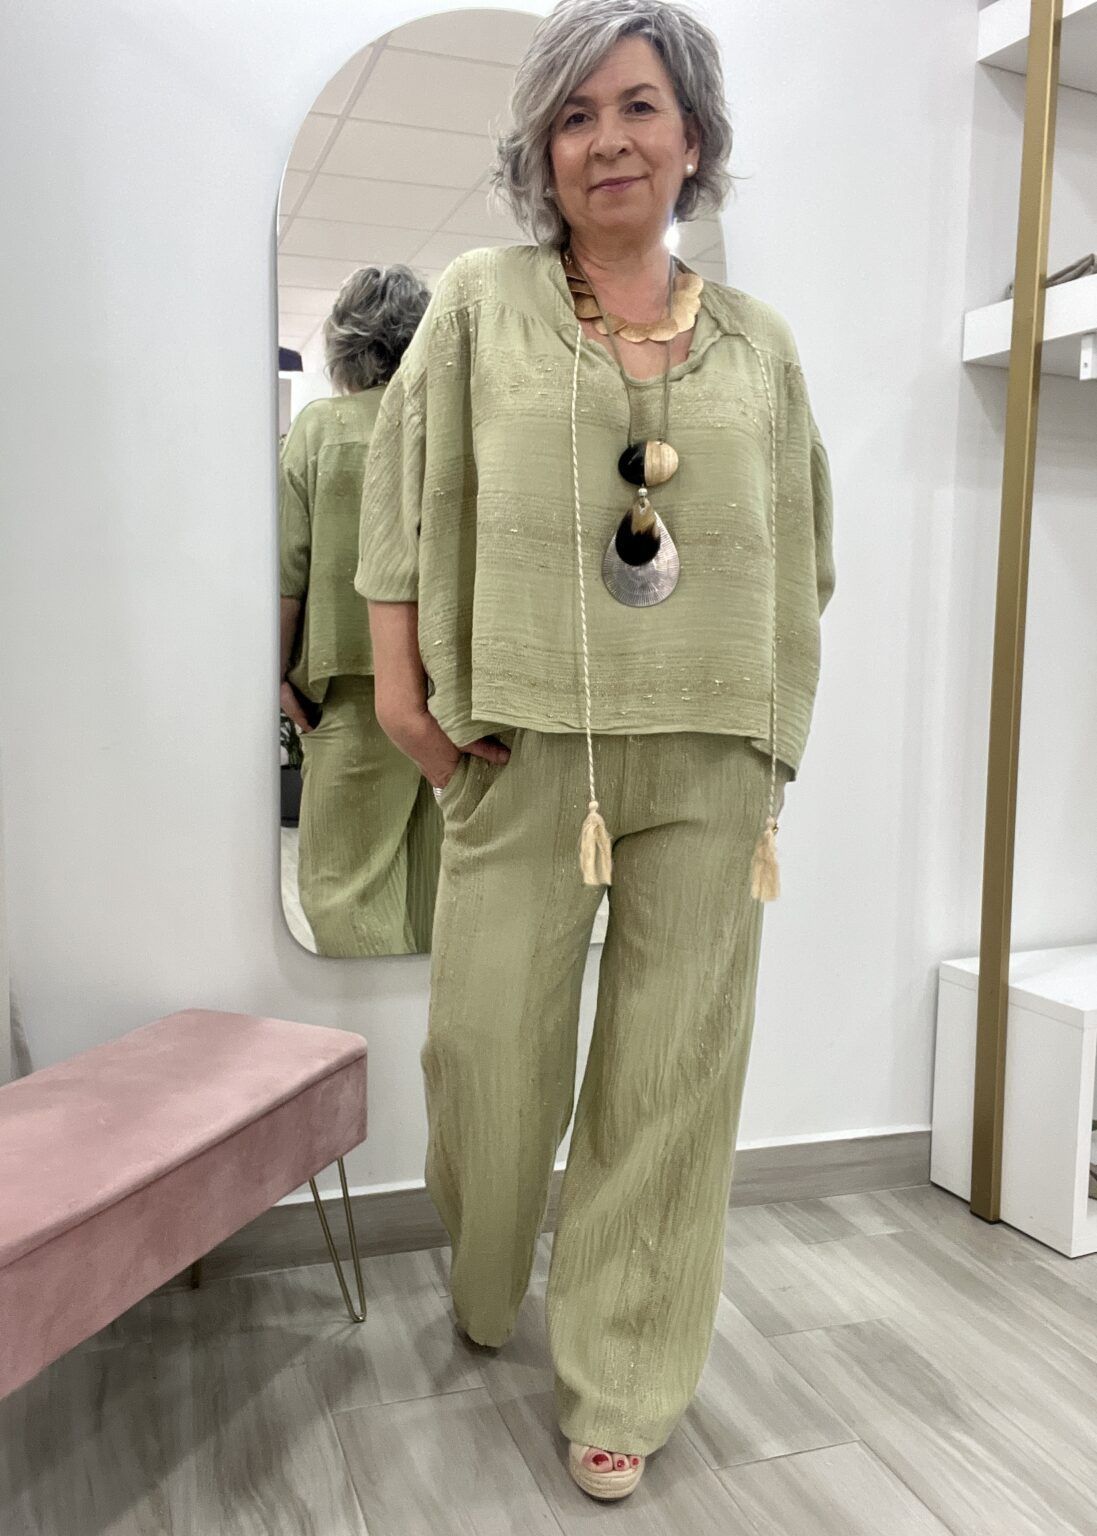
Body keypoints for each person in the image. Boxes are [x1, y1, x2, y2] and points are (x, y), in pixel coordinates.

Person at [356, 0, 835, 1502]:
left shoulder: (759, 344)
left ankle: (623, 1370)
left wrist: (771, 736)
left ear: (691, 135)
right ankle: (488, 1267)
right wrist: (403, 705)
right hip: (522, 748)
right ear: (539, 149)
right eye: (573, 115)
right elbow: (398, 509)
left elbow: (804, 550)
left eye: (636, 107)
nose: (606, 140)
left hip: (711, 758)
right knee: (486, 1061)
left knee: (670, 1081)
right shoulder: (479, 304)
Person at [280, 264, 441, 957]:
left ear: (346, 341)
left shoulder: (322, 429)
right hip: (443, 696)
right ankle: (419, 1021)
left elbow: (289, 569)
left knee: (343, 889)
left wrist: (276, 675)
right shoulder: (449, 431)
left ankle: (369, 1026)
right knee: (426, 885)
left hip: (351, 688)